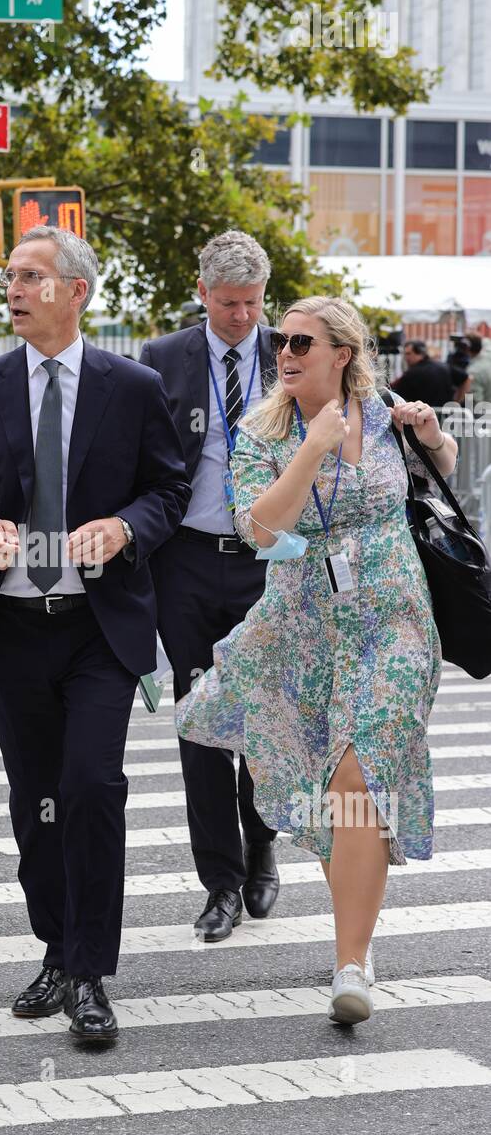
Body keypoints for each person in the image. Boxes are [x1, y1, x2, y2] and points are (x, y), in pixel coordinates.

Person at [0, 227, 190, 1044]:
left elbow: (168, 489)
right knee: (35, 802)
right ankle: (54, 945)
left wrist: (122, 527)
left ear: (75, 292)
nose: (12, 289)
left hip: (96, 629)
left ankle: (88, 974)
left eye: (31, 276)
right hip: (11, 627)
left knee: (89, 788)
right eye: (9, 276)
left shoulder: (133, 386)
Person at [175, 296, 458, 1025]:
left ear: (343, 352)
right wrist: (310, 447)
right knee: (333, 794)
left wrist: (431, 432)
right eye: (281, 340)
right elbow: (260, 529)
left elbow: (440, 474)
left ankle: (350, 964)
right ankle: (354, 942)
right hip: (303, 631)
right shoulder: (261, 430)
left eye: (302, 340)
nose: (286, 352)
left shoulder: (386, 405)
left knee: (358, 769)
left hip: (394, 619)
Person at [142, 230, 280, 943]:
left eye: (251, 304)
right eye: (227, 304)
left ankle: (260, 842)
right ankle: (218, 881)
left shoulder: (289, 350)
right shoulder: (162, 359)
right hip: (187, 561)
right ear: (201, 293)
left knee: (258, 715)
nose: (240, 318)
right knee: (199, 720)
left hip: (265, 560)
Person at [390, 340, 452, 407]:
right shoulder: (444, 366)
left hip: (423, 414)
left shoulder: (413, 373)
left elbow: (393, 390)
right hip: (445, 413)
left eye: (408, 353)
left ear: (419, 353)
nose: (406, 357)